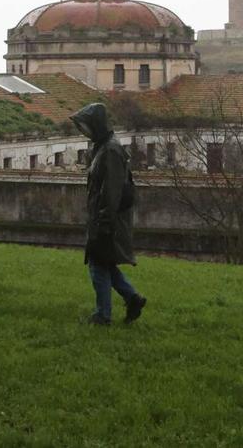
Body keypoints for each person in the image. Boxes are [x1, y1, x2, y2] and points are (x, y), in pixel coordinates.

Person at [70, 102, 147, 326]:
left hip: (108, 220)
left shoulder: (110, 150)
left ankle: (103, 315)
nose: (84, 131)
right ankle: (132, 298)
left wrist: (103, 222)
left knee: (98, 264)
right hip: (104, 218)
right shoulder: (104, 147)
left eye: (86, 126)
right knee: (105, 263)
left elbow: (111, 191)